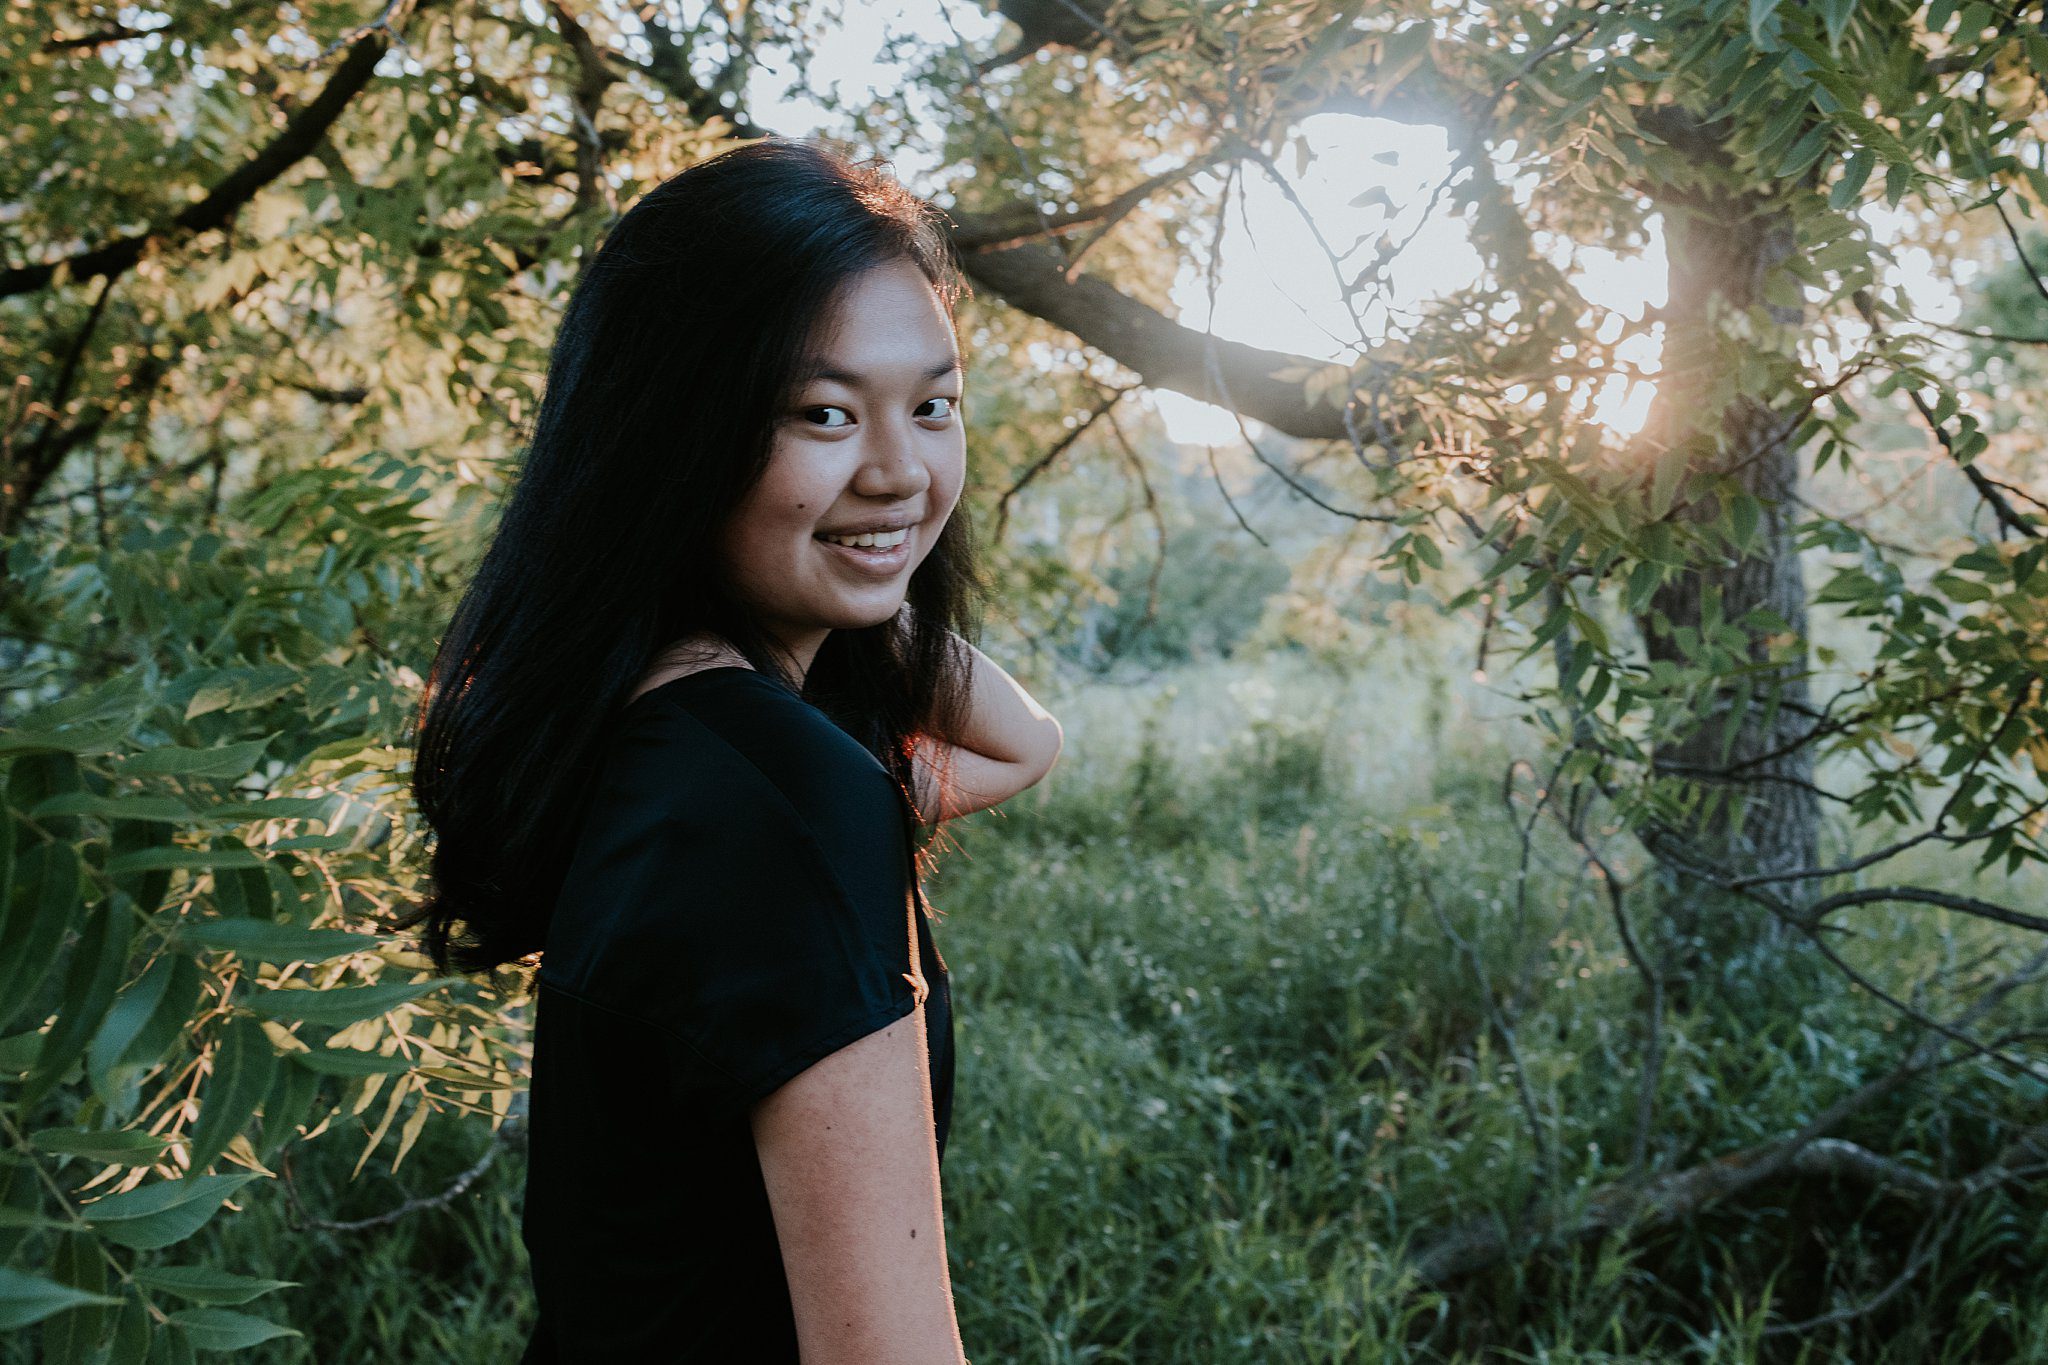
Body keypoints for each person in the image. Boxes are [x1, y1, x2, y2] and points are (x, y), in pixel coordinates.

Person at [398, 136, 1063, 1363]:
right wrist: (855, 555)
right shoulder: (787, 798)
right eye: (820, 412)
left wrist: (853, 551)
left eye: (932, 406)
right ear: (675, 438)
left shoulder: (646, 721)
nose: (902, 470)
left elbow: (1025, 744)